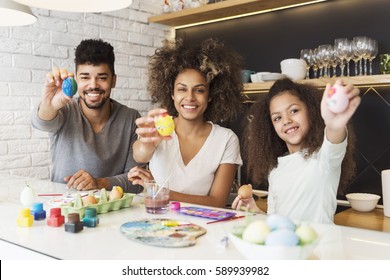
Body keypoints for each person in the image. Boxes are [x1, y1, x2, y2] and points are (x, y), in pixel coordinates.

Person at [128, 38, 245, 208]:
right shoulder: (159, 128)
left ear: (210, 95)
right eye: (182, 89)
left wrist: (161, 192)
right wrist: (147, 144)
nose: (190, 97)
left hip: (202, 226)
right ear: (172, 94)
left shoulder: (226, 139)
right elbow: (140, 155)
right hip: (156, 222)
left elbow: (217, 201)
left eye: (199, 90)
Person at [232, 78, 360, 224]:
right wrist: (255, 211)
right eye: (277, 118)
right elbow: (275, 221)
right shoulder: (275, 170)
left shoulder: (324, 159)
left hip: (320, 246)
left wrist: (334, 124)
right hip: (286, 245)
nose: (286, 120)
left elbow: (334, 139)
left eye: (293, 111)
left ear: (310, 111)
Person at [31, 38, 146, 193]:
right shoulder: (64, 110)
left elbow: (137, 182)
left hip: (114, 212)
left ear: (114, 81)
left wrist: (100, 183)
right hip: (62, 209)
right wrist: (49, 104)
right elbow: (41, 123)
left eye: (102, 77)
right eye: (85, 77)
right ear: (76, 79)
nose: (93, 85)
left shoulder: (130, 118)